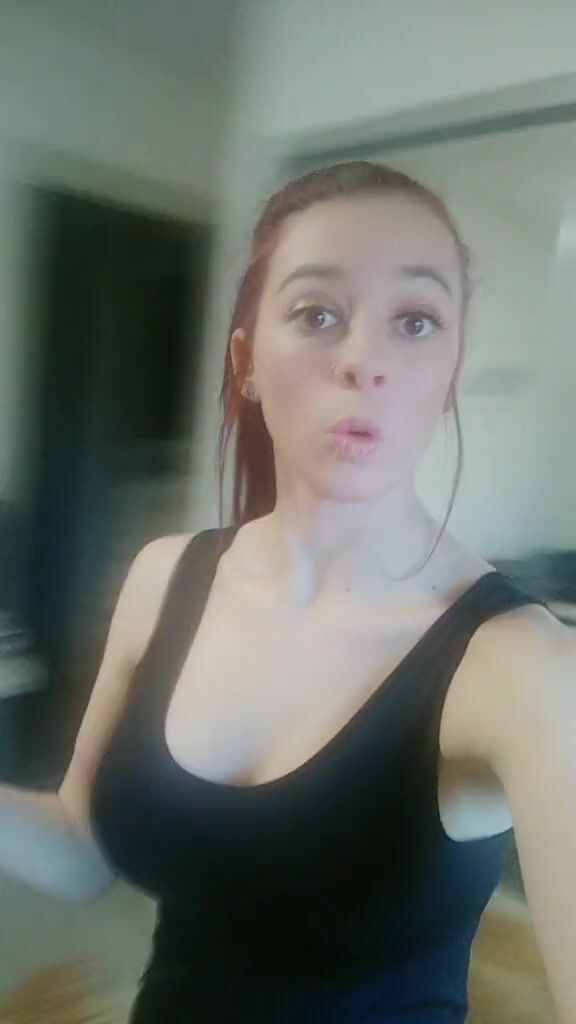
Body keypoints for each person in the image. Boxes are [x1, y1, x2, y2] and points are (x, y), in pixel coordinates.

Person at [1, 161, 575, 1023]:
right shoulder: (164, 577)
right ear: (246, 362)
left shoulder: (519, 665)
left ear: (451, 372)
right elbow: (86, 851)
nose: (364, 361)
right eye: (317, 313)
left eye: (415, 321)